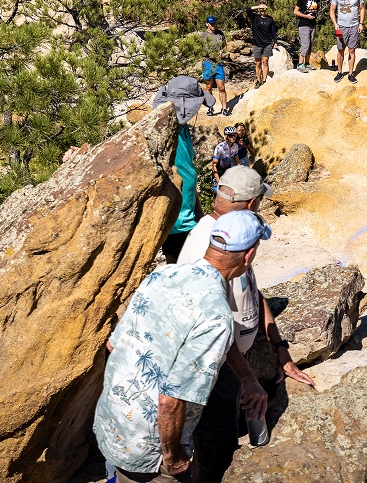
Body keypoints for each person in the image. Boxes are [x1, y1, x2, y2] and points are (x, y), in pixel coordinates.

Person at [94, 209, 269, 483]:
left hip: (113, 417)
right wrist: (173, 458)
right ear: (248, 256)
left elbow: (114, 345)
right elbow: (171, 401)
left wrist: (247, 378)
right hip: (149, 447)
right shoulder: (216, 315)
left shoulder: (163, 276)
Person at [177, 168, 314, 482]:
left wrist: (280, 348)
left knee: (224, 429)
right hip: (214, 368)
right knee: (215, 440)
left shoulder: (229, 234)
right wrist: (247, 377)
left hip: (232, 365)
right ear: (252, 202)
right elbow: (210, 332)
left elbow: (253, 289)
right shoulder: (207, 247)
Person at [150, 77, 215, 261]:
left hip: (189, 216)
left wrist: (199, 214)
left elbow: (189, 173)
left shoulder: (183, 129)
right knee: (180, 267)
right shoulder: (165, 133)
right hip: (176, 221)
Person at [329, 0, 363, 85]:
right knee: (341, 49)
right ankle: (339, 72)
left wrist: (361, 23)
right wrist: (335, 24)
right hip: (341, 26)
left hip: (354, 25)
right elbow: (332, 10)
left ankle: (351, 73)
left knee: (352, 50)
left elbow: (362, 8)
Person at [200, 16, 229, 116]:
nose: (213, 26)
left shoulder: (220, 33)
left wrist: (221, 51)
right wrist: (209, 54)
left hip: (218, 63)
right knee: (209, 86)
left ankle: (224, 109)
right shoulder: (203, 35)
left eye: (214, 23)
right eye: (211, 24)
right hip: (207, 63)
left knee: (221, 87)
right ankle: (210, 107)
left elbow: (224, 44)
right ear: (207, 24)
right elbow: (200, 49)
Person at [247, 2, 278, 87]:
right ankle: (258, 80)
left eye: (264, 9)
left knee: (265, 62)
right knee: (258, 63)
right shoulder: (255, 18)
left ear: (266, 9)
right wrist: (258, 6)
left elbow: (273, 31)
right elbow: (248, 10)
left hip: (267, 43)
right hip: (257, 44)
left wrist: (275, 42)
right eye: (261, 9)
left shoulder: (270, 19)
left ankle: (264, 80)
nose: (262, 10)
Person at [292, 0, 320, 72]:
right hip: (304, 24)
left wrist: (315, 15)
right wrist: (306, 16)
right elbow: (295, 11)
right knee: (305, 44)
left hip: (312, 24)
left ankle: (307, 63)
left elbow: (318, 7)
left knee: (310, 44)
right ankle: (300, 64)